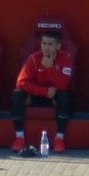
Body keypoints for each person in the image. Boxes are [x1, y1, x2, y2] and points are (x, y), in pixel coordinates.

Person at [11, 28, 73, 156]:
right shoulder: (34, 58)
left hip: (54, 96)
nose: (46, 47)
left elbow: (64, 85)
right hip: (36, 94)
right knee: (17, 94)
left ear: (58, 46)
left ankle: (59, 138)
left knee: (64, 96)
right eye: (44, 43)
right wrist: (44, 91)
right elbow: (21, 82)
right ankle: (19, 137)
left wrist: (50, 68)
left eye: (50, 44)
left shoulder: (66, 58)